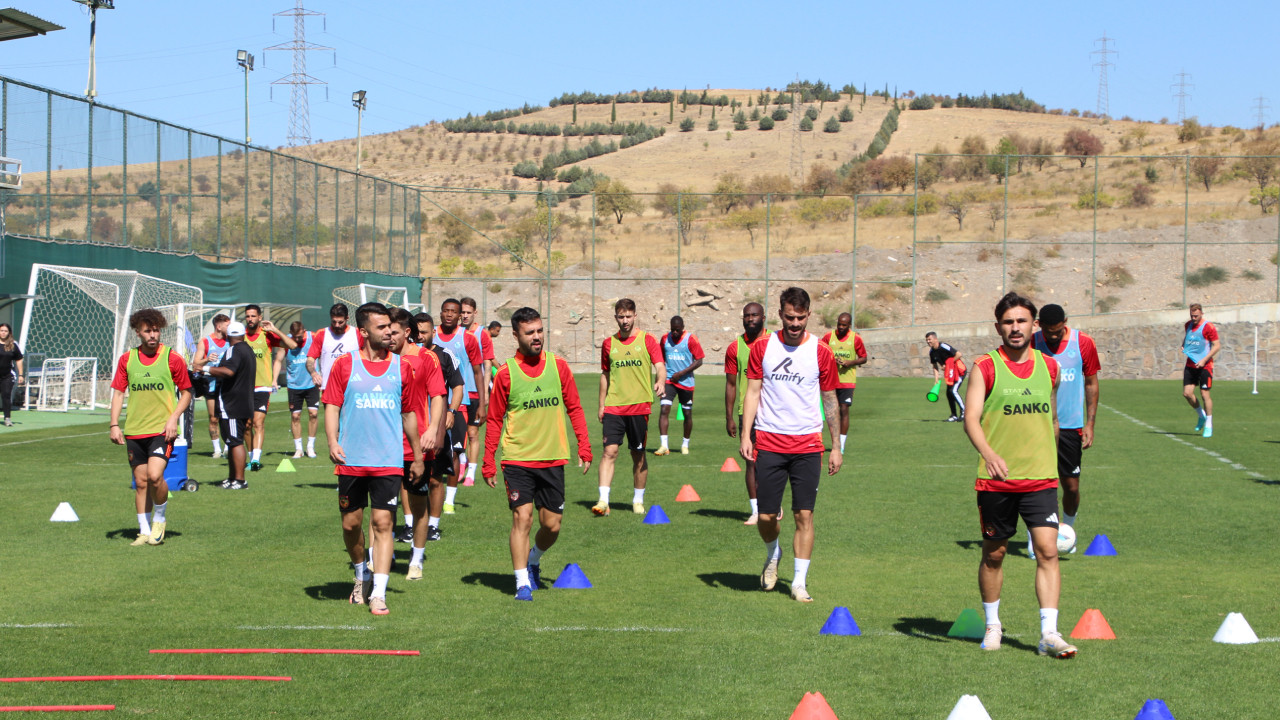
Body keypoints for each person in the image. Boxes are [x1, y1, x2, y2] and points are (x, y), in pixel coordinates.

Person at [963, 292, 1076, 659]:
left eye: (1022, 321)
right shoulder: (986, 367)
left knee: (1047, 551)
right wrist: (990, 454)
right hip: (997, 481)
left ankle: (1048, 633)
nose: (1015, 328)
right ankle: (994, 625)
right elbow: (971, 419)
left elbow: (1053, 420)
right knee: (994, 554)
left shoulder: (1051, 368)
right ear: (998, 327)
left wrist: (1049, 457)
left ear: (1034, 326)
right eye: (1008, 322)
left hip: (1041, 480)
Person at [739, 287, 841, 603]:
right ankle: (773, 553)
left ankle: (798, 582)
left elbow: (830, 400)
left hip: (808, 445)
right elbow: (753, 392)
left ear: (808, 315)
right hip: (769, 442)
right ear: (780, 314)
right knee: (767, 517)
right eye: (789, 317)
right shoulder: (762, 348)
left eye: (800, 317)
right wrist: (746, 434)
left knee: (804, 516)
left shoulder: (821, 352)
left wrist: (836, 445)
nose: (794, 323)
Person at [483, 307, 592, 601]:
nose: (537, 337)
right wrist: (488, 461)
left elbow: (575, 408)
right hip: (517, 458)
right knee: (523, 518)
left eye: (540, 331)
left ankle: (533, 559)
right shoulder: (506, 373)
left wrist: (584, 445)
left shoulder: (559, 366)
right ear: (516, 335)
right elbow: (494, 420)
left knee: (552, 525)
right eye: (530, 332)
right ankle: (521, 583)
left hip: (553, 457)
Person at [323, 302, 424, 616]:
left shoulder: (402, 367)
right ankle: (360, 572)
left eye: (391, 327)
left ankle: (378, 593)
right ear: (363, 331)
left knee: (383, 524)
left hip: (388, 460)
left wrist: (417, 456)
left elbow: (408, 414)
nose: (389, 332)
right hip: (352, 459)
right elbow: (332, 406)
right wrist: (332, 441)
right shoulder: (344, 365)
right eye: (382, 327)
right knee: (351, 523)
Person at [108, 309, 193, 546]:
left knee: (155, 476)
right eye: (148, 331)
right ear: (138, 333)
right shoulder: (127, 359)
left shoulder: (172, 358)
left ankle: (160, 518)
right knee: (141, 481)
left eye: (156, 330)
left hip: (161, 430)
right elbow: (118, 393)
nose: (153, 334)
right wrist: (114, 424)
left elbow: (187, 392)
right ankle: (143, 531)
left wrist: (173, 417)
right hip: (134, 430)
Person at [1031, 304, 1100, 556]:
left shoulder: (1084, 343)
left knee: (1070, 486)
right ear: (1039, 325)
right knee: (1037, 485)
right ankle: (1035, 539)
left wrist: (1090, 423)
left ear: (1066, 323)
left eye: (1057, 331)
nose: (1053, 336)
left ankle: (1066, 534)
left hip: (1071, 427)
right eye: (1048, 332)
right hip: (1038, 425)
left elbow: (1091, 383)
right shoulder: (1031, 342)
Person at [385, 308, 446, 581]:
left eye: (393, 332)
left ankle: (416, 560)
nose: (388, 336)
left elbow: (438, 395)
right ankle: (383, 556)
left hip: (417, 444)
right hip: (384, 444)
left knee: (419, 504)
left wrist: (433, 429)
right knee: (384, 506)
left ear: (406, 332)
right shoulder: (380, 359)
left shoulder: (427, 358)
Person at [595, 298, 665, 516]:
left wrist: (660, 380)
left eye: (628, 316)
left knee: (638, 455)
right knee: (609, 452)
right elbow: (605, 375)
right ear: (615, 317)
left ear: (635, 316)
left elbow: (660, 366)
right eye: (620, 317)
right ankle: (603, 501)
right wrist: (601, 404)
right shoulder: (608, 344)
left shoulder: (647, 340)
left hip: (639, 407)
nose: (624, 321)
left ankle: (637, 500)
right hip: (614, 407)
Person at [411, 312, 466, 542]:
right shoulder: (406, 355)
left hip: (437, 422)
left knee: (435, 477)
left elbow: (458, 386)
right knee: (410, 476)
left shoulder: (445, 356)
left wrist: (451, 412)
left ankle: (433, 524)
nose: (420, 336)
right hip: (412, 421)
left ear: (433, 332)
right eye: (417, 332)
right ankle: (408, 524)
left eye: (424, 332)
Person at [434, 299, 484, 513]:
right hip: (431, 401)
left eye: (453, 312)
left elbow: (477, 371)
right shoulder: (429, 335)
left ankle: (449, 501)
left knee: (454, 451)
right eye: (445, 310)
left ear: (458, 316)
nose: (449, 315)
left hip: (459, 403)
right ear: (441, 312)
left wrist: (482, 402)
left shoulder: (468, 339)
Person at [725, 302, 768, 525]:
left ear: (763, 317)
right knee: (751, 461)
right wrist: (729, 416)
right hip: (747, 414)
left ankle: (771, 505)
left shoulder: (775, 342)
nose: (750, 319)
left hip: (773, 413)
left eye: (754, 315)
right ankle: (756, 510)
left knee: (772, 462)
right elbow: (731, 384)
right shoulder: (735, 348)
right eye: (747, 316)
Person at [241, 304, 297, 471]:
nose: (250, 319)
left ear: (259, 318)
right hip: (244, 388)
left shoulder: (267, 335)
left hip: (262, 387)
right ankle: (251, 458)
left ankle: (256, 460)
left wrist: (276, 329)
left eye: (253, 316)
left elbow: (292, 345)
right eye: (248, 316)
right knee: (246, 426)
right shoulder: (239, 336)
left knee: (258, 423)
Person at [208, 321, 255, 489]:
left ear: (228, 336)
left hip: (232, 404)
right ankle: (232, 478)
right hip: (242, 402)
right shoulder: (247, 350)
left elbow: (229, 371)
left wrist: (206, 369)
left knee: (235, 441)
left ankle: (240, 480)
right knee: (231, 441)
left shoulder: (234, 350)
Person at [655, 316, 704, 456]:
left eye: (677, 330)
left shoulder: (691, 339)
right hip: (669, 381)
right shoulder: (665, 339)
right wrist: (659, 380)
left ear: (683, 328)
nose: (675, 332)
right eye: (672, 329)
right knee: (664, 409)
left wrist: (682, 373)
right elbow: (660, 361)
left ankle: (685, 444)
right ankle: (664, 445)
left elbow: (699, 360)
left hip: (686, 382)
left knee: (687, 413)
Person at [459, 297, 495, 486]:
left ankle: (471, 472)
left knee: (473, 433)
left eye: (468, 312)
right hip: (456, 393)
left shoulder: (482, 334)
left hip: (474, 392)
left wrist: (486, 393)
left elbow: (488, 365)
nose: (464, 316)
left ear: (475, 313)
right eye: (462, 312)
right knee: (457, 434)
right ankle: (461, 461)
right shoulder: (454, 333)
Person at [820, 312, 867, 453]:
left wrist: (850, 362)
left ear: (849, 325)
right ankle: (822, 441)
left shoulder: (856, 339)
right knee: (828, 411)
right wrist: (830, 360)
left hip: (847, 381)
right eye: (839, 324)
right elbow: (820, 352)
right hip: (830, 379)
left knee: (844, 409)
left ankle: (841, 444)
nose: (840, 327)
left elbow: (863, 358)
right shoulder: (829, 337)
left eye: (844, 325)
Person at [276, 321, 319, 459]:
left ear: (304, 331)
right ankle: (298, 448)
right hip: (294, 385)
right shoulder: (286, 341)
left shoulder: (313, 337)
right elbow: (278, 360)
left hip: (311, 384)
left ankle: (310, 447)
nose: (298, 340)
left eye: (300, 336)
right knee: (295, 416)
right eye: (295, 337)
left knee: (313, 414)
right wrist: (274, 380)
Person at [191, 314, 230, 455]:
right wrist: (207, 359)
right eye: (227, 325)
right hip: (211, 383)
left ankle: (228, 446)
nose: (229, 328)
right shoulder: (205, 342)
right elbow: (195, 363)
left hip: (227, 383)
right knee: (213, 418)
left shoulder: (231, 341)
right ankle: (216, 449)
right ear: (219, 326)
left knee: (227, 416)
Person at [1182, 303, 1220, 438]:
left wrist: (1204, 360)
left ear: (1202, 313)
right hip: (1190, 365)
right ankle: (1201, 416)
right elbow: (1188, 339)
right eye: (1192, 315)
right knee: (1187, 393)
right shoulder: (1188, 325)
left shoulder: (1208, 327)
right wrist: (1183, 346)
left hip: (1205, 366)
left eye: (1196, 316)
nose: (1193, 318)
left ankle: (1209, 424)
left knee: (1205, 395)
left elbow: (1217, 345)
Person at [307, 303, 361, 392]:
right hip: (329, 387)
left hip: (353, 386)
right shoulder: (322, 334)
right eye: (334, 321)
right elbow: (310, 359)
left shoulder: (357, 333)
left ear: (347, 318)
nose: (336, 325)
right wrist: (314, 374)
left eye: (340, 322)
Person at [927, 332, 965, 421]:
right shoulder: (932, 352)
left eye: (929, 339)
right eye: (927, 340)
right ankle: (954, 415)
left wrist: (948, 365)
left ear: (935, 339)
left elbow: (959, 354)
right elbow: (935, 366)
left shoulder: (944, 346)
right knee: (949, 393)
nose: (928, 341)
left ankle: (964, 412)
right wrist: (936, 379)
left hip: (959, 371)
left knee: (953, 390)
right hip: (950, 373)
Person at [0, 322, 24, 427]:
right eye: (1, 331)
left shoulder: (13, 344)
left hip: (7, 376)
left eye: (5, 331)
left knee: (6, 395)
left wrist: (21, 375)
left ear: (9, 332)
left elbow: (19, 359)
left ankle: (7, 418)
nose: (3, 333)